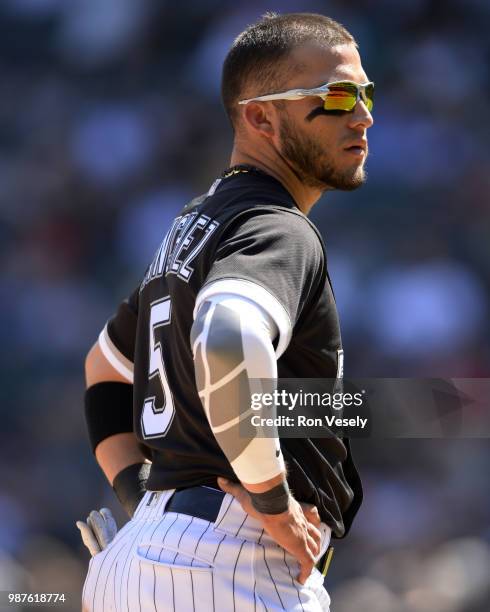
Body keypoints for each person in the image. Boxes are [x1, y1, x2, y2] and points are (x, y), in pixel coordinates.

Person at [79, 11, 373, 611]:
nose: (362, 113)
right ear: (260, 116)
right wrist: (273, 502)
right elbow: (225, 337)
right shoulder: (274, 226)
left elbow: (103, 372)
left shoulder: (196, 228)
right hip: (233, 563)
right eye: (336, 96)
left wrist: (141, 500)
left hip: (141, 563)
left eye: (365, 92)